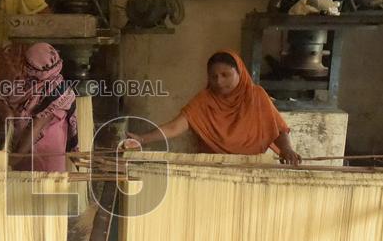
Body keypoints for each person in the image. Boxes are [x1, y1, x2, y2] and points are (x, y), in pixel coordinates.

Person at [126, 50, 302, 165]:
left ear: (239, 73)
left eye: (226, 75)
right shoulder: (204, 100)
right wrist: (142, 139)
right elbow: (175, 126)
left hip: (253, 170)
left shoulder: (257, 96)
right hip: (212, 168)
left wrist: (287, 149)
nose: (219, 81)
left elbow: (280, 130)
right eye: (214, 76)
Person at [0, 0, 52, 137]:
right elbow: (43, 11)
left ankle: (8, 132)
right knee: (17, 86)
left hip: (8, 42)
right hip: (14, 43)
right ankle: (14, 135)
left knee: (8, 88)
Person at [5, 43, 78, 173]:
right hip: (24, 155)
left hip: (44, 160)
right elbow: (11, 108)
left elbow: (36, 128)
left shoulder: (58, 92)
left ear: (38, 67)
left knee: (42, 190)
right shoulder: (29, 85)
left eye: (28, 64)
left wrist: (12, 160)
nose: (24, 67)